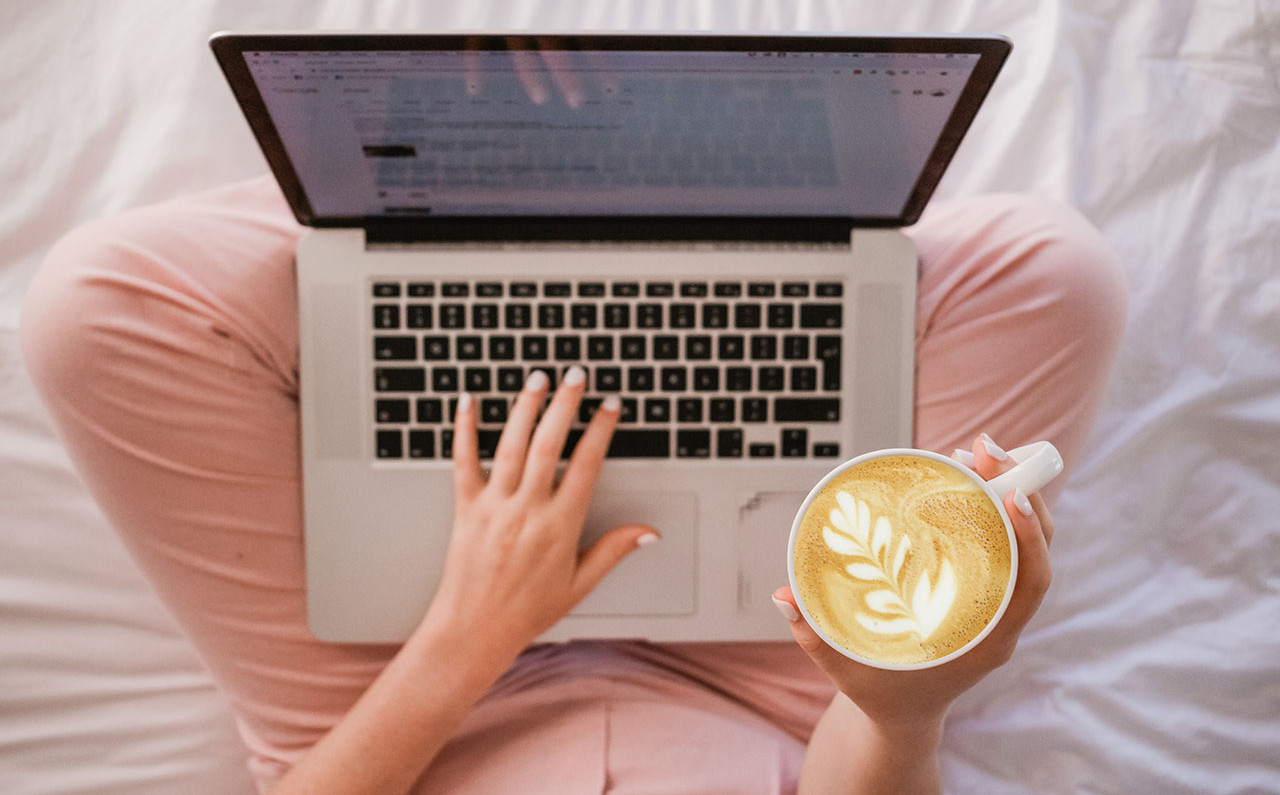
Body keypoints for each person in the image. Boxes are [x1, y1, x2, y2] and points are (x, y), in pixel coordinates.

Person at [19, 176, 1127, 794]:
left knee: (97, 305)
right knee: (1046, 267)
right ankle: (699, 202)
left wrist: (469, 631)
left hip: (408, 709)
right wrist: (899, 703)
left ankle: (445, 187)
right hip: (783, 695)